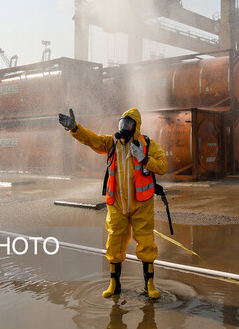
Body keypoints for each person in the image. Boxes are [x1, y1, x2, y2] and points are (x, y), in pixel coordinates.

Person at [58, 107, 168, 298]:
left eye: (128, 124)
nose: (124, 127)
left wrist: (145, 159)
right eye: (122, 123)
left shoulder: (147, 145)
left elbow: (163, 166)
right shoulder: (112, 143)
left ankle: (149, 284)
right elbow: (92, 140)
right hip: (116, 204)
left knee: (146, 243)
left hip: (141, 204)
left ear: (136, 126)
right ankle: (114, 285)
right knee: (114, 242)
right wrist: (74, 128)